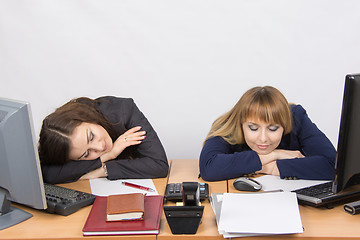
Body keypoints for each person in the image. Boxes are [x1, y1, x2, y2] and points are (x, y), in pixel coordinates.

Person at [199, 86, 336, 181]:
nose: (263, 139)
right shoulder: (228, 125)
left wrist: (270, 168)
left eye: (273, 129)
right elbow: (208, 167)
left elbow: (334, 166)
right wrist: (275, 154)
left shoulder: (296, 117)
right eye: (253, 128)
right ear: (241, 124)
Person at [38, 96, 169, 184]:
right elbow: (47, 174)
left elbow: (159, 166)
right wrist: (108, 155)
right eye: (87, 154)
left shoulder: (123, 110)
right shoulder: (62, 145)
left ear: (87, 118)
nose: (100, 147)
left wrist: (102, 171)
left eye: (91, 136)